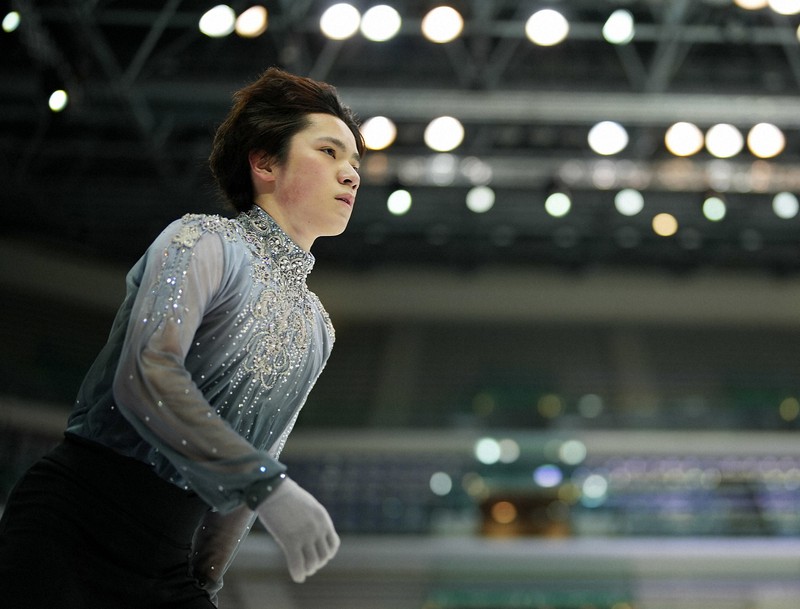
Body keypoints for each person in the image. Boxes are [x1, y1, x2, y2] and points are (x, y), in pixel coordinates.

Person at [0, 67, 364, 608]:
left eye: (356, 163)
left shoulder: (318, 327)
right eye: (330, 152)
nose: (352, 175)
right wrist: (266, 483)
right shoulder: (203, 241)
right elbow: (146, 373)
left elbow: (257, 455)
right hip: (72, 526)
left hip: (171, 563)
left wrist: (206, 580)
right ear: (264, 161)